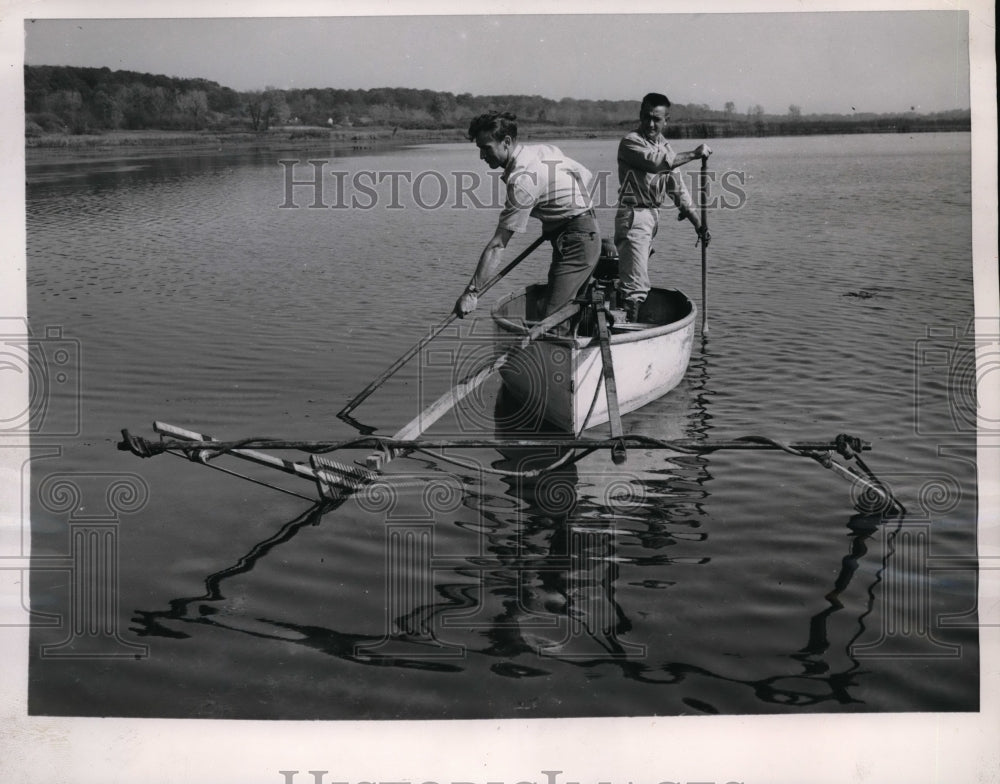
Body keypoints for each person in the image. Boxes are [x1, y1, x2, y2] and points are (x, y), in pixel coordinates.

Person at [454, 111, 600, 327]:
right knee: (559, 309)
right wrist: (559, 218)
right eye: (480, 149)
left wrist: (471, 291)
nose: (482, 156)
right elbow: (584, 176)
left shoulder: (522, 180)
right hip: (580, 231)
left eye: (486, 148)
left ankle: (553, 356)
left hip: (576, 240)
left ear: (506, 142)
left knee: (550, 320)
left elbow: (497, 246)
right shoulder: (543, 150)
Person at [615, 92, 712, 320]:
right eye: (647, 117)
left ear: (665, 120)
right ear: (640, 115)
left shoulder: (665, 147)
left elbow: (677, 189)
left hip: (651, 217)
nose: (651, 124)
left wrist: (699, 225)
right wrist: (695, 154)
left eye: (657, 119)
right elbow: (656, 164)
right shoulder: (631, 142)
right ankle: (627, 332)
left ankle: (626, 321)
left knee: (635, 277)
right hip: (634, 216)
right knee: (636, 284)